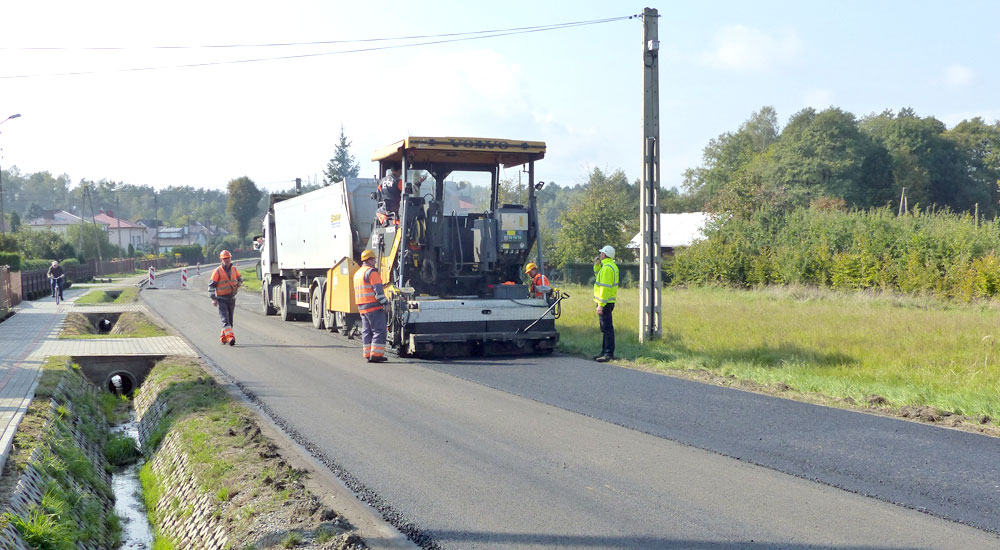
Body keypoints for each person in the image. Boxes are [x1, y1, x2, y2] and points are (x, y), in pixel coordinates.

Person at [354, 249, 389, 363]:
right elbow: (378, 293)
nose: (375, 261)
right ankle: (376, 355)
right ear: (369, 260)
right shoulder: (372, 273)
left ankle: (368, 353)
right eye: (374, 259)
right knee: (379, 330)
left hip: (362, 307)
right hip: (373, 307)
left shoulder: (358, 273)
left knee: (367, 331)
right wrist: (385, 303)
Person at [209, 250, 243, 346]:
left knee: (230, 321)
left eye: (228, 258)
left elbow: (240, 278)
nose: (226, 260)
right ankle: (230, 338)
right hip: (221, 299)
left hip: (231, 298)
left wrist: (240, 281)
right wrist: (213, 298)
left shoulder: (234, 269)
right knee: (225, 319)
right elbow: (211, 286)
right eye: (224, 258)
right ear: (221, 259)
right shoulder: (217, 271)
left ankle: (224, 337)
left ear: (230, 258)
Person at [593, 245, 620, 362]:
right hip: (608, 302)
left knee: (607, 329)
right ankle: (604, 351)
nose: (600, 255)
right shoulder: (609, 266)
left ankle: (608, 353)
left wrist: (600, 305)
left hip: (605, 302)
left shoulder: (607, 268)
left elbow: (604, 288)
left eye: (601, 253)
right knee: (605, 328)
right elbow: (599, 276)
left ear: (605, 255)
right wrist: (597, 265)